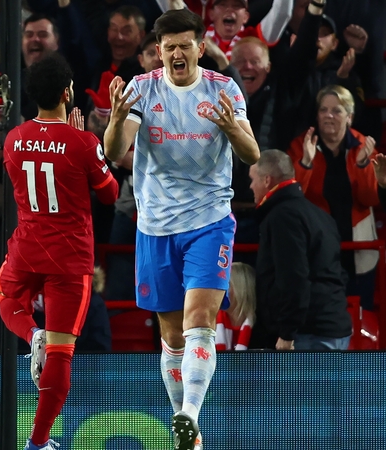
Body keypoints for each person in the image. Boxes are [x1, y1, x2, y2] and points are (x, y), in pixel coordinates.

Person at [103, 9, 260, 450]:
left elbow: (251, 154)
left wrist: (231, 128)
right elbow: (115, 151)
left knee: (199, 321)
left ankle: (190, 412)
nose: (176, 53)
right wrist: (115, 119)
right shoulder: (142, 88)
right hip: (155, 226)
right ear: (158, 51)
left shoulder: (223, 89)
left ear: (199, 48)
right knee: (172, 336)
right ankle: (187, 432)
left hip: (209, 222)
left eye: (184, 45)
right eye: (169, 46)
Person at [0, 52, 119, 450]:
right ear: (68, 93)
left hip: (27, 248)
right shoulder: (83, 142)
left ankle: (31, 333)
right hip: (70, 257)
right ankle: (38, 442)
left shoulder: (14, 139)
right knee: (61, 353)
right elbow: (110, 194)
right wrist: (88, 149)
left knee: (5, 299)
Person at [248, 149, 352, 350]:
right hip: (334, 326)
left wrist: (287, 332)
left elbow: (293, 277)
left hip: (308, 334)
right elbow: (338, 273)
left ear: (267, 180)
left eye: (253, 179)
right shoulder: (320, 215)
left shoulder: (282, 217)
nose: (251, 186)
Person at [287, 85, 379, 310]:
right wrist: (305, 163)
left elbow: (370, 199)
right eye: (323, 110)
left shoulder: (363, 146)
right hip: (316, 249)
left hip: (357, 247)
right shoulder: (300, 146)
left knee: (361, 312)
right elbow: (292, 199)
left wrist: (363, 166)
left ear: (350, 117)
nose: (328, 115)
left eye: (336, 110)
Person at [215, 262, 255, 351]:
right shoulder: (210, 324)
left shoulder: (264, 327)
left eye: (225, 285)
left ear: (241, 289)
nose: (218, 290)